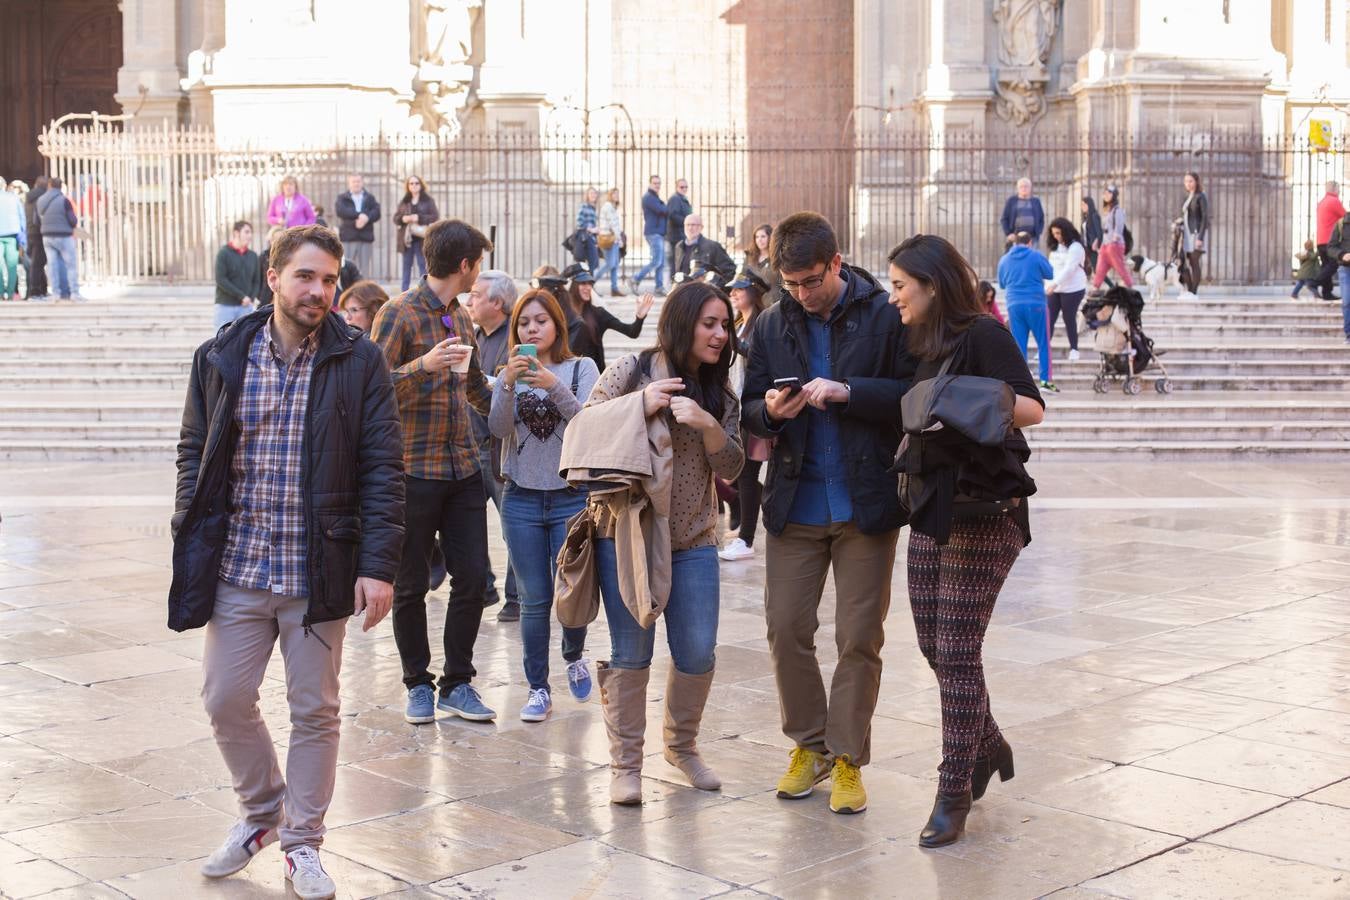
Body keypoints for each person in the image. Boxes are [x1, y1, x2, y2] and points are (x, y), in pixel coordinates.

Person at [170, 224, 403, 899]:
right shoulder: (222, 353)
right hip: (238, 564)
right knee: (224, 697)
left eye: (329, 279)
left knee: (316, 709)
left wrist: (378, 565)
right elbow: (193, 446)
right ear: (271, 278)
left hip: (317, 567)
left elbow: (383, 467)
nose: (320, 291)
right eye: (306, 277)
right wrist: (189, 512)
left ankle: (302, 842)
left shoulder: (359, 361)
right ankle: (262, 809)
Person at [741, 212, 916, 816]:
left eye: (810, 280)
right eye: (789, 283)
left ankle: (846, 759)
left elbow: (912, 394)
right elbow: (749, 409)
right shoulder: (768, 324)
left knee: (858, 638)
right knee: (786, 629)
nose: (801, 293)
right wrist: (770, 411)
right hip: (795, 500)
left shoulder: (884, 314)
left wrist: (850, 392)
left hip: (865, 501)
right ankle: (808, 746)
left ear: (837, 264)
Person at [885, 234, 1044, 849]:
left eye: (901, 285)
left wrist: (960, 399)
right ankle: (989, 743)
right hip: (933, 507)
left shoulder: (983, 334)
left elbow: (1032, 407)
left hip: (986, 510)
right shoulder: (918, 341)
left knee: (955, 649)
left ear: (932, 284)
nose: (895, 296)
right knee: (933, 645)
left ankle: (954, 789)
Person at [576, 279, 744, 804]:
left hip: (694, 538)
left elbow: (735, 465)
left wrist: (710, 426)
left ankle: (682, 746)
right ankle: (625, 765)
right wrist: (642, 404)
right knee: (632, 650)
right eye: (709, 323)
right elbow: (583, 427)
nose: (719, 335)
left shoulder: (721, 390)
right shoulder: (633, 370)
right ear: (682, 321)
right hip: (626, 535)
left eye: (725, 325)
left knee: (696, 651)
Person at [371, 219, 498, 723]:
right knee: (410, 584)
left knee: (472, 579)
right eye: (478, 264)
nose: (479, 274)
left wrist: (511, 392)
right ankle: (417, 683)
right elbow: (372, 389)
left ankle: (458, 682)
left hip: (463, 466)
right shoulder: (398, 313)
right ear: (464, 266)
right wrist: (422, 366)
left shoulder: (462, 319)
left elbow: (474, 392)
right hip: (414, 469)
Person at [489, 288, 600, 721]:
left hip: (570, 497)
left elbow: (589, 424)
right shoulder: (508, 374)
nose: (532, 329)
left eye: (541, 321)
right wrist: (507, 383)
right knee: (534, 599)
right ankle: (538, 687)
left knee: (571, 590)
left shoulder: (580, 368)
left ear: (557, 324)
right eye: (524, 323)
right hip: (520, 499)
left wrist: (553, 386)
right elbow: (498, 428)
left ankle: (573, 654)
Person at [465, 269, 523, 623]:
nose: (469, 301)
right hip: (471, 446)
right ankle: (484, 586)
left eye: (476, 295)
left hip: (501, 449)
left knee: (512, 527)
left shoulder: (512, 342)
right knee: (465, 524)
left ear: (497, 303)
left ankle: (517, 597)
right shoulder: (472, 337)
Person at [719, 267, 772, 562]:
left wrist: (729, 336)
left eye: (739, 289)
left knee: (747, 473)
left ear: (754, 291)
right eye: (732, 290)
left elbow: (754, 354)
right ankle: (762, 506)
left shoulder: (762, 322)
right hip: (739, 407)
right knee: (742, 474)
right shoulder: (741, 322)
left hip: (754, 407)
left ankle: (746, 539)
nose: (734, 293)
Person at [563, 261, 654, 373]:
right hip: (566, 373)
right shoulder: (562, 313)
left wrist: (640, 317)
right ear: (573, 286)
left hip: (592, 375)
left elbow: (632, 332)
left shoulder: (598, 313)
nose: (588, 287)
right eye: (583, 283)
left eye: (590, 283)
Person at [998, 231, 1057, 392]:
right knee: (1043, 343)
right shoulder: (1036, 256)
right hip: (1036, 303)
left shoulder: (1004, 260)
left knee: (1019, 345)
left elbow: (1002, 284)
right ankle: (1045, 381)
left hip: (1014, 305)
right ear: (1030, 242)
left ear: (1015, 242)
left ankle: (1023, 383)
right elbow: (1050, 273)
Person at [1045, 218, 1087, 362]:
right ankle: (1044, 349)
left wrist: (1054, 284)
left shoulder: (1076, 247)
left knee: (1069, 318)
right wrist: (1048, 284)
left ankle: (1074, 349)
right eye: (1054, 234)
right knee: (1049, 318)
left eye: (1058, 233)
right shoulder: (1056, 248)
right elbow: (1051, 268)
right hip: (1055, 289)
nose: (1056, 236)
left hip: (1073, 288)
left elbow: (1069, 269)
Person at [36, 176, 84, 302]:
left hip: (47, 236)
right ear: (60, 186)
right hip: (64, 235)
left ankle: (56, 293)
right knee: (70, 265)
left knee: (52, 265)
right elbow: (73, 220)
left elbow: (36, 220)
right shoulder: (64, 200)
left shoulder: (40, 200)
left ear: (49, 185)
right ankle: (73, 292)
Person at [396, 175, 439, 291]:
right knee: (406, 267)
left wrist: (418, 218)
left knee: (423, 266)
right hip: (407, 239)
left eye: (416, 183)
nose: (414, 186)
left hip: (422, 239)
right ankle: (403, 293)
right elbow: (396, 218)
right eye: (411, 183)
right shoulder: (405, 201)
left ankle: (425, 292)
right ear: (408, 186)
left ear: (421, 185)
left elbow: (435, 216)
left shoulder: (428, 200)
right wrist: (403, 219)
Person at [214, 220, 259, 328]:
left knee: (245, 342)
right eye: (246, 232)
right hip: (225, 306)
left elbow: (257, 281)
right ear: (236, 233)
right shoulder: (223, 253)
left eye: (251, 233)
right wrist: (242, 296)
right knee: (222, 341)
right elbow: (221, 280)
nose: (250, 236)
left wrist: (250, 298)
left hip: (246, 307)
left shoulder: (253, 256)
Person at [335, 174, 381, 277]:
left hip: (365, 237)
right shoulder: (342, 198)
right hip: (348, 237)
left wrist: (367, 218)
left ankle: (363, 292)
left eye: (358, 181)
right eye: (353, 181)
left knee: (365, 269)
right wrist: (360, 216)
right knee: (345, 268)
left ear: (362, 182)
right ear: (349, 183)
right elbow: (341, 211)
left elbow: (377, 212)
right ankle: (347, 292)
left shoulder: (370, 198)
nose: (356, 183)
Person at [1090, 186, 1133, 292]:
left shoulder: (1117, 210)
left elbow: (1119, 226)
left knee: (1120, 267)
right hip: (1105, 244)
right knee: (1100, 268)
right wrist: (1098, 241)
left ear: (1113, 195)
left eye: (1108, 193)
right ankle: (1095, 287)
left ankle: (1130, 286)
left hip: (1115, 245)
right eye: (1104, 193)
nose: (1105, 195)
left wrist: (1115, 238)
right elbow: (1104, 229)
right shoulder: (1107, 211)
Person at [631, 175, 668, 295]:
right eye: (655, 183)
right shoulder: (649, 198)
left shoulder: (655, 197)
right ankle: (635, 279)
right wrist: (667, 207)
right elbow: (662, 210)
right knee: (656, 261)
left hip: (658, 233)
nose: (657, 185)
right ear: (650, 184)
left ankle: (659, 287)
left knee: (661, 263)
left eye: (659, 183)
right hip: (653, 233)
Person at [674, 215, 736, 284]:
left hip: (704, 291)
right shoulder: (679, 246)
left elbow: (730, 270)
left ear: (701, 227)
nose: (690, 228)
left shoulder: (712, 246)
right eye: (687, 225)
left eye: (693, 225)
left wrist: (718, 287)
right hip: (684, 291)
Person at [1177, 172, 1209, 297]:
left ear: (1196, 181)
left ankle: (1194, 293)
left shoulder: (1201, 196)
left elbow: (1205, 217)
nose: (1188, 184)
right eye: (1186, 181)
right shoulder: (1188, 196)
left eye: (1190, 181)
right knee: (1187, 262)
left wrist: (1200, 238)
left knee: (1194, 262)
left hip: (1196, 234)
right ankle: (1190, 291)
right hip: (1187, 234)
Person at [1325, 207, 1350, 343]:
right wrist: (1342, 255)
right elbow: (1331, 247)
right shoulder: (1341, 224)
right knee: (1347, 302)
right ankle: (1349, 334)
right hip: (1346, 270)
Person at [1316, 181, 1344, 301]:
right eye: (1338, 189)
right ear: (1334, 189)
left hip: (1320, 240)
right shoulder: (1334, 201)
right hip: (1329, 240)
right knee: (1334, 264)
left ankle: (1327, 293)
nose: (1339, 191)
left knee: (1326, 266)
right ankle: (1314, 282)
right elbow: (1345, 217)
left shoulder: (1322, 202)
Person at [595, 187, 626, 295]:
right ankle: (591, 281)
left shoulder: (612, 207)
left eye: (617, 194)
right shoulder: (608, 207)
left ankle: (614, 289)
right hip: (609, 239)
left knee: (615, 265)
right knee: (610, 264)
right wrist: (619, 239)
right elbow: (613, 225)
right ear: (610, 195)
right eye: (614, 194)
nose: (616, 196)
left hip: (612, 239)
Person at [24, 176, 49, 301]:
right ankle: (35, 291)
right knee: (37, 263)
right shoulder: (44, 197)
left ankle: (42, 290)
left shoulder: (29, 197)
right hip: (40, 232)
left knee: (38, 262)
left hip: (30, 232)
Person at [1000, 178, 1044, 247]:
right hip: (1016, 237)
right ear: (1018, 189)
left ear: (1030, 188)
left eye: (1026, 186)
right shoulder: (1011, 201)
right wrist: (1008, 233)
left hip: (1032, 238)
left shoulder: (1036, 201)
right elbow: (1004, 219)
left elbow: (1041, 218)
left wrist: (1039, 231)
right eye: (1021, 186)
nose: (1024, 188)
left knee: (1031, 257)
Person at [0, 179, 24, 301]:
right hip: (12, 235)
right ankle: (10, 294)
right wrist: (23, 237)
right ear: (4, 186)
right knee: (12, 266)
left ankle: (0, 294)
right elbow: (21, 217)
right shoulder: (14, 198)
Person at [666, 177, 693, 282]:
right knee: (677, 260)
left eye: (686, 187)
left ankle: (679, 281)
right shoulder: (675, 199)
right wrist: (687, 222)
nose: (684, 189)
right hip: (676, 235)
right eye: (682, 187)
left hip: (682, 234)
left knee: (681, 259)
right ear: (677, 187)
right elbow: (673, 215)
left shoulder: (682, 199)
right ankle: (674, 281)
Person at [744, 223, 779, 292]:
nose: (759, 240)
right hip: (754, 298)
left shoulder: (777, 257)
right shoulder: (749, 257)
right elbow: (742, 276)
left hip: (774, 298)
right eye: (757, 237)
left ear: (770, 237)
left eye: (763, 236)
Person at [256, 226, 284, 307]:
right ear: (270, 240)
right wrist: (259, 295)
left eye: (280, 239)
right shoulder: (264, 256)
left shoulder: (289, 256)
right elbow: (258, 277)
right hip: (266, 298)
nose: (277, 241)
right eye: (274, 238)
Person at [575, 187, 601, 273]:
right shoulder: (584, 206)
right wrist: (591, 229)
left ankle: (589, 283)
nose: (593, 195)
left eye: (595, 193)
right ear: (587, 195)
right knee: (592, 262)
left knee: (594, 262)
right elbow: (579, 222)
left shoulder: (593, 208)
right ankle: (589, 283)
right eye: (591, 193)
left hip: (592, 238)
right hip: (586, 238)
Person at [1080, 195, 1103, 279]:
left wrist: (1096, 242)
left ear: (1089, 205)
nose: (1082, 207)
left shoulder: (1094, 216)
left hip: (1092, 247)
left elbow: (1099, 232)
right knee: (1084, 267)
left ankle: (1112, 286)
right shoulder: (1085, 218)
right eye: (1081, 205)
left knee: (1097, 270)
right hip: (1085, 247)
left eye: (1084, 204)